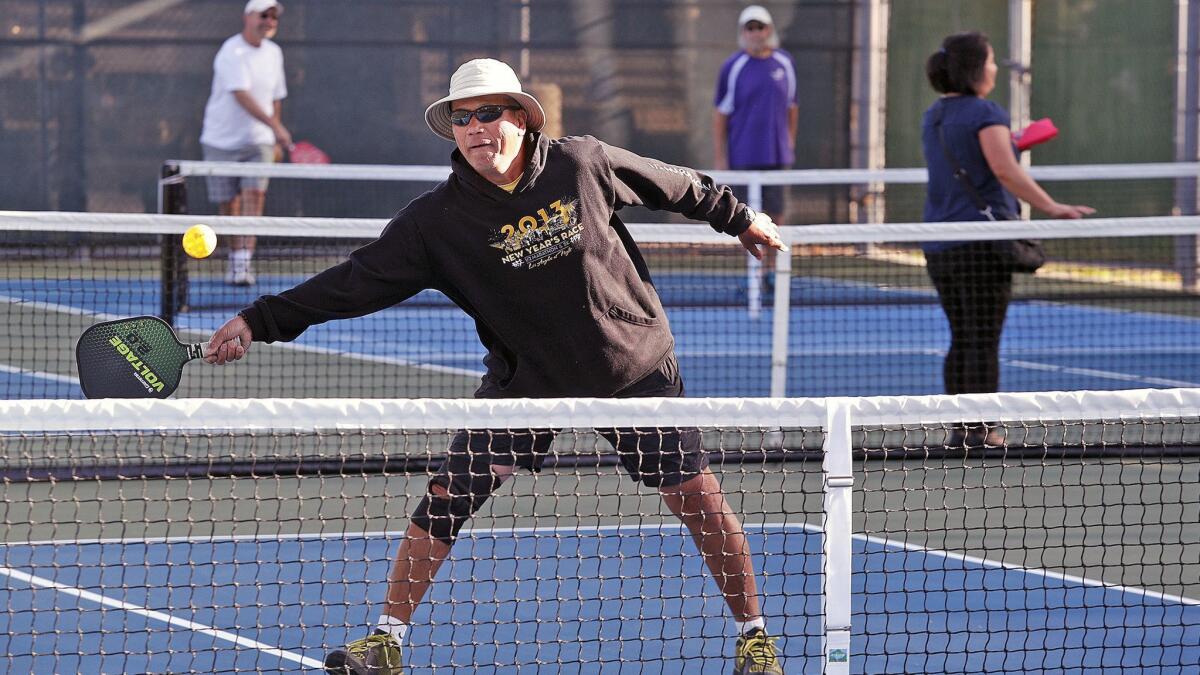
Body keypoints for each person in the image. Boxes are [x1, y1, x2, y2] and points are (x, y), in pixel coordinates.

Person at [204, 59, 787, 675]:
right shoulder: (436, 223)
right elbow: (355, 281)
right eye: (462, 117)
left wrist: (742, 218)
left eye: (488, 113)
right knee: (446, 497)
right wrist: (259, 320)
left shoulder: (580, 163)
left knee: (696, 497)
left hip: (630, 368)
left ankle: (754, 640)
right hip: (528, 383)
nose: (476, 127)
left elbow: (674, 184)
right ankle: (385, 642)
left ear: (521, 118)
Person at [921, 32, 1093, 446]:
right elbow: (1004, 171)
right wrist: (1052, 208)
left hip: (939, 245)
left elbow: (981, 160)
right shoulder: (985, 112)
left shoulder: (934, 114)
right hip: (982, 244)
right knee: (982, 337)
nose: (996, 68)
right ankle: (981, 430)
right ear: (976, 69)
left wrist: (1011, 141)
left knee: (963, 336)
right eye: (992, 61)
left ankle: (962, 430)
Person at [199, 0, 291, 286]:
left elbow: (276, 97)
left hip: (258, 142)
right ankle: (234, 256)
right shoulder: (231, 51)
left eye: (274, 17)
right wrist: (276, 127)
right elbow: (242, 95)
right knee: (229, 204)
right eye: (264, 15)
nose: (269, 21)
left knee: (254, 197)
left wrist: (273, 135)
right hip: (220, 140)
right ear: (248, 17)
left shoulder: (275, 53)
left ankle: (243, 265)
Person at [712, 4, 798, 290]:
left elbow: (792, 108)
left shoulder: (784, 63)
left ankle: (771, 273)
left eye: (760, 27)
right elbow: (721, 115)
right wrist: (721, 158)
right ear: (743, 33)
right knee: (744, 219)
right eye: (750, 28)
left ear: (769, 30)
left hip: (776, 158)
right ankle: (753, 277)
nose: (755, 33)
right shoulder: (733, 67)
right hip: (743, 158)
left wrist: (789, 144)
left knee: (777, 216)